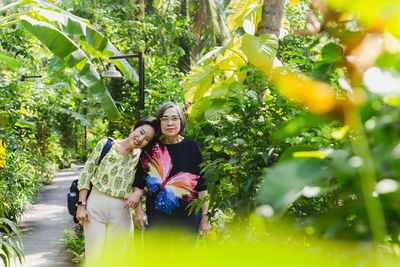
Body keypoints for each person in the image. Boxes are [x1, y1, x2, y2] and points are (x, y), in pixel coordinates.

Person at [76, 117, 159, 265]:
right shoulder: (106, 145)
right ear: (133, 128)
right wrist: (81, 206)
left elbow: (143, 186)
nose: (140, 139)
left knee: (115, 260)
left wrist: (139, 195)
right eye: (140, 132)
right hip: (96, 205)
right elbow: (86, 175)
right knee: (93, 259)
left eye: (146, 139)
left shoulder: (141, 159)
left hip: (122, 209)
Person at [133, 102, 211, 238]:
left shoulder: (192, 147)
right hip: (158, 219)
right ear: (159, 122)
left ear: (181, 122)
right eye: (165, 119)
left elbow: (202, 186)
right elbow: (138, 184)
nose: (170, 123)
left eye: (175, 118)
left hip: (189, 219)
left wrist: (205, 216)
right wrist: (138, 211)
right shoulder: (150, 149)